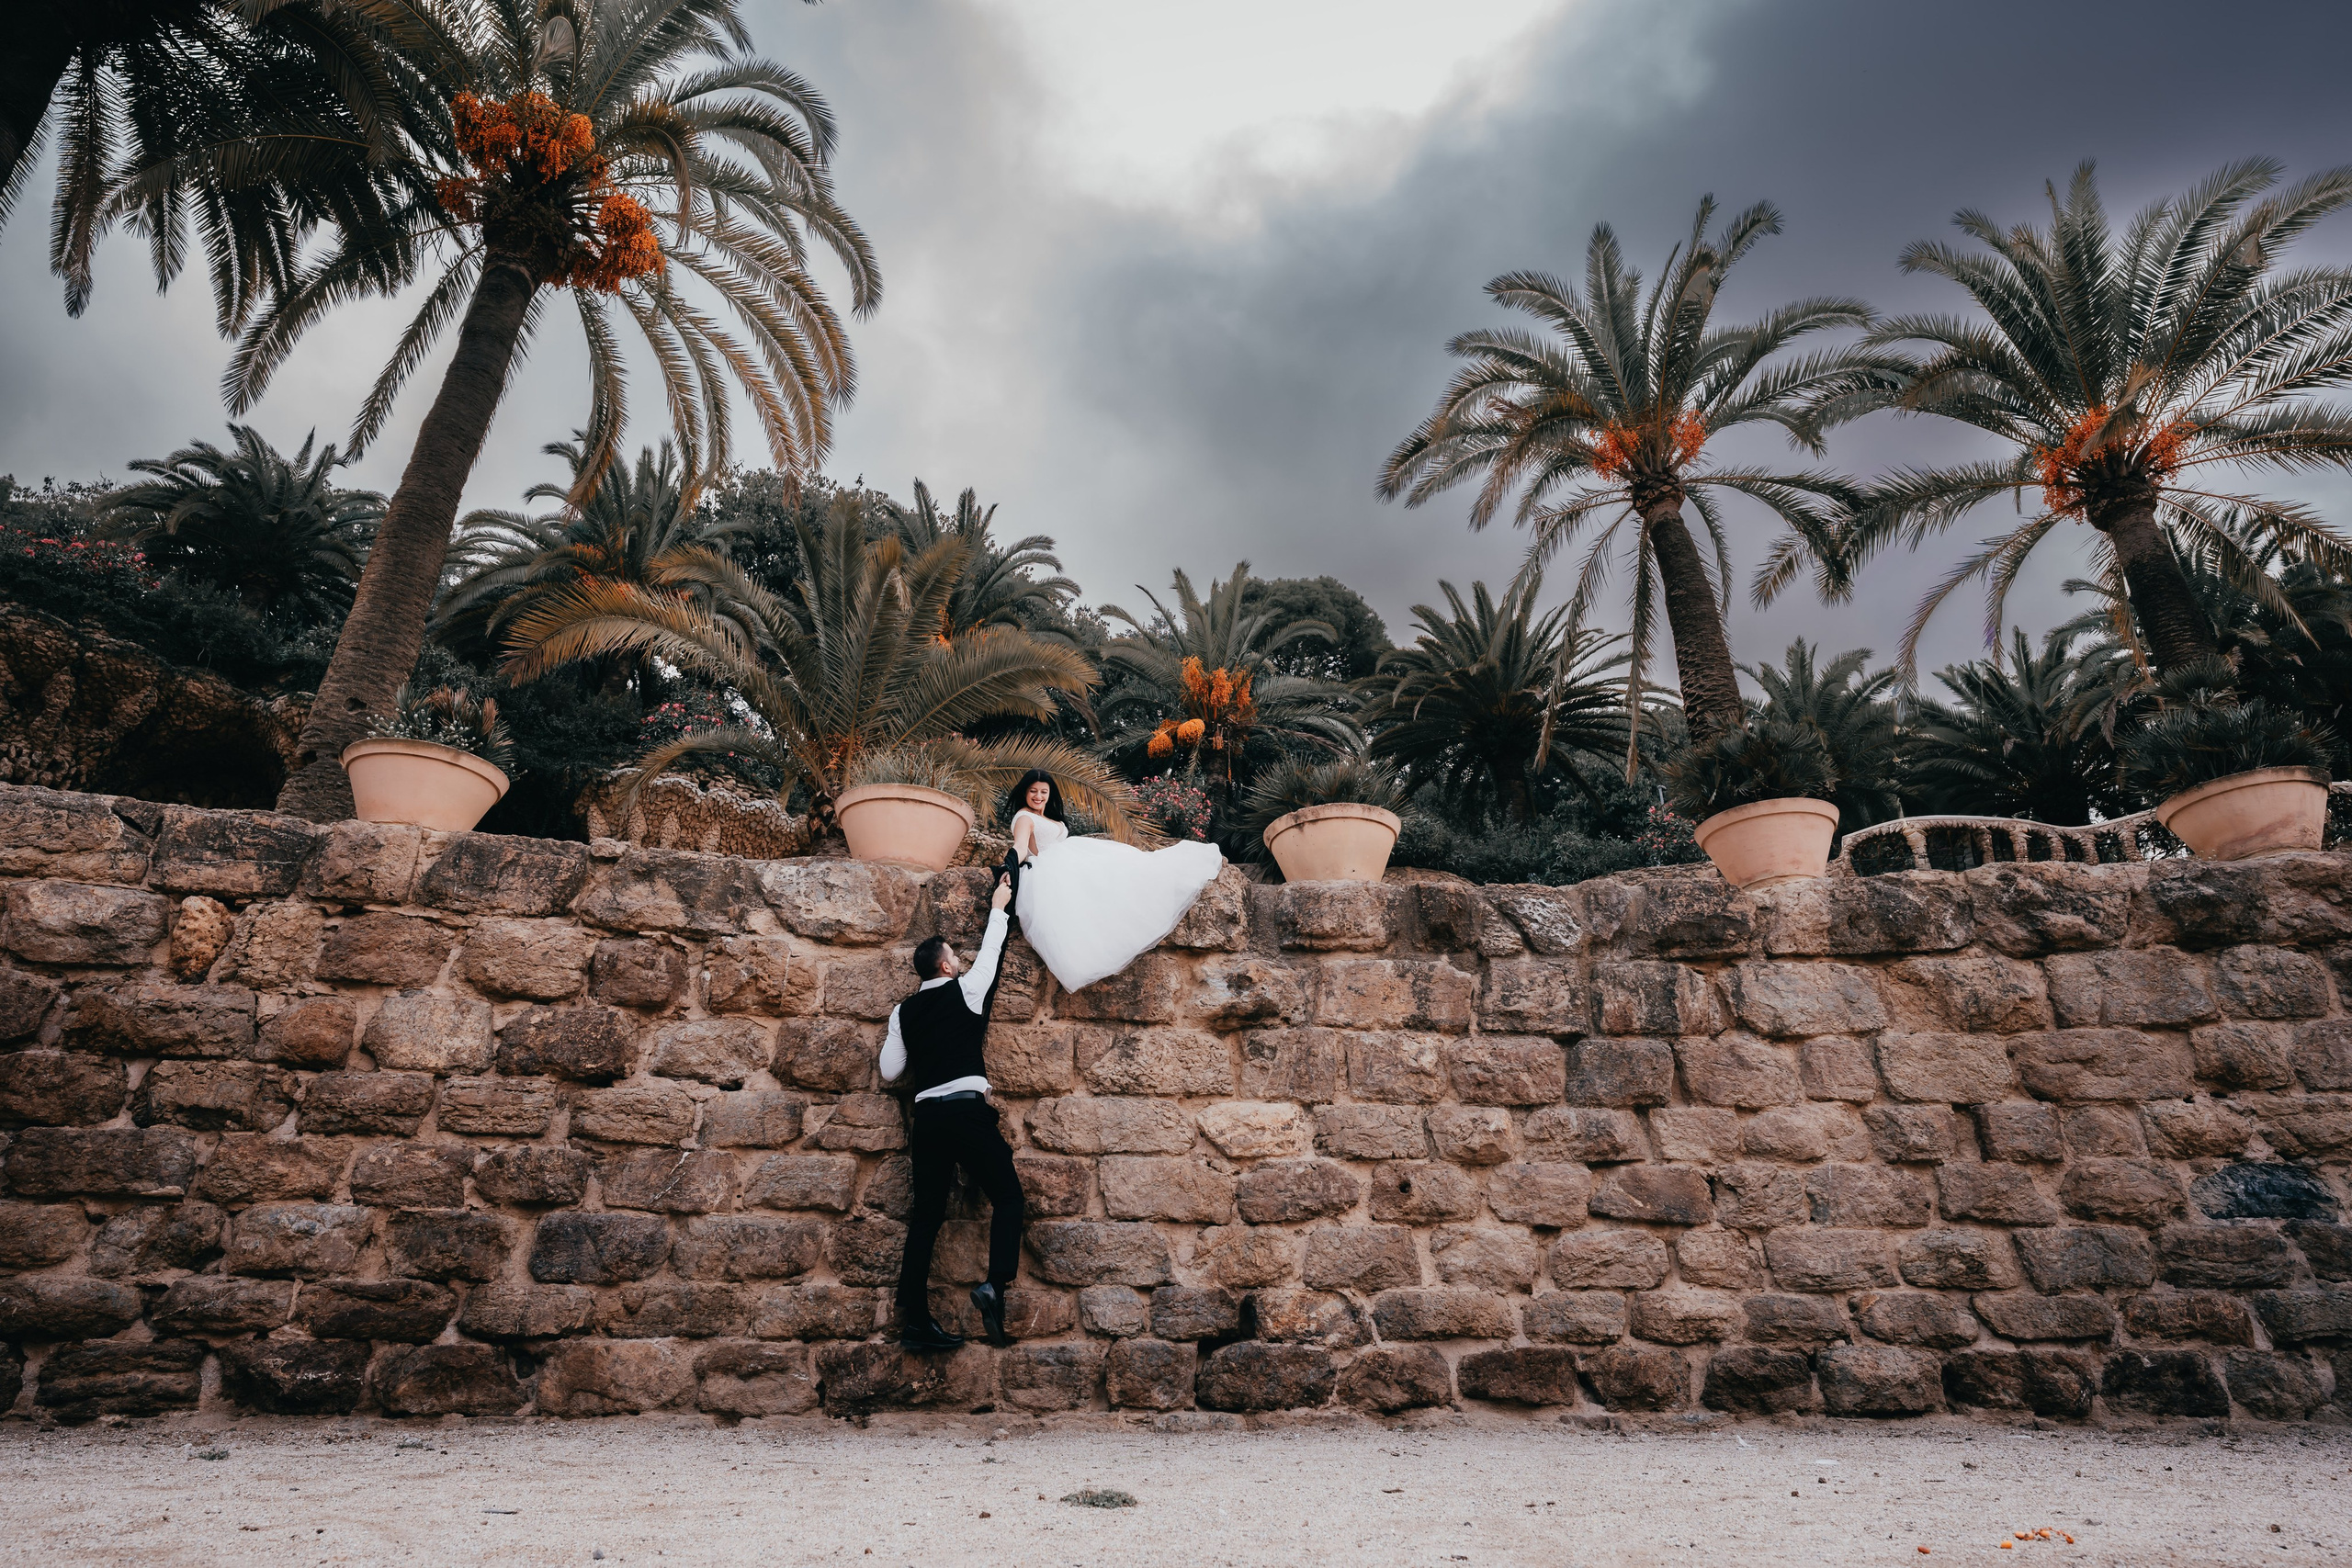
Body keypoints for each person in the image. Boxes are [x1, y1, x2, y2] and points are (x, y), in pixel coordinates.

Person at [878, 872, 1023, 1352]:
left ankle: (916, 1321)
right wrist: (1000, 904)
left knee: (925, 1218)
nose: (961, 963)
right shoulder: (966, 989)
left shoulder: (903, 1012)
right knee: (1008, 1196)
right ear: (943, 967)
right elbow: (992, 950)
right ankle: (994, 1286)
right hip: (965, 1112)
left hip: (927, 1122)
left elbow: (889, 1071)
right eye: (954, 959)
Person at [1006, 769, 1224, 993]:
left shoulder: (1042, 816)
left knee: (1128, 871)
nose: (1038, 796)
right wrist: (1010, 864)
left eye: (1044, 791)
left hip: (1069, 860)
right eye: (1033, 791)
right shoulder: (1025, 818)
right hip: (1052, 868)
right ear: (1025, 792)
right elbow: (1021, 847)